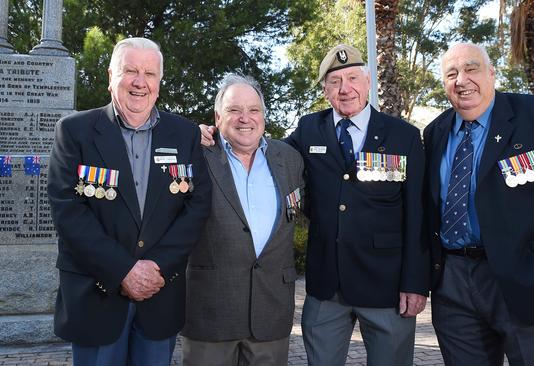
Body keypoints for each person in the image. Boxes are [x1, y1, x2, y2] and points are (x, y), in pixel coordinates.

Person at [201, 44, 430, 366]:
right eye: (335, 82)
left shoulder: (403, 136)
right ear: (325, 90)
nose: (345, 88)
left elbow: (419, 214)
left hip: (387, 288)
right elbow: (260, 147)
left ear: (367, 83)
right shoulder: (310, 129)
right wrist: (211, 131)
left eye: (352, 78)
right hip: (327, 288)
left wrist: (415, 283)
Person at [422, 42, 534, 366]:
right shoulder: (435, 133)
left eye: (471, 68)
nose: (462, 80)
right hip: (452, 284)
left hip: (525, 276)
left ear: (491, 73)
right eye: (451, 73)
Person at [47, 37, 212, 365]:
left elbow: (197, 205)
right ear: (111, 76)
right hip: (96, 297)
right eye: (130, 71)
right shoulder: (75, 131)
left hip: (159, 295)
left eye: (149, 74)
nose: (140, 82)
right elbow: (68, 211)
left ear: (159, 82)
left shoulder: (185, 134)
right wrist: (123, 270)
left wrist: (156, 269)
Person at [182, 74, 304, 366]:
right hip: (210, 313)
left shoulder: (289, 159)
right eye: (234, 110)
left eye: (253, 110)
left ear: (263, 115)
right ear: (218, 116)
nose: (245, 118)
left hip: (271, 311)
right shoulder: (194, 153)